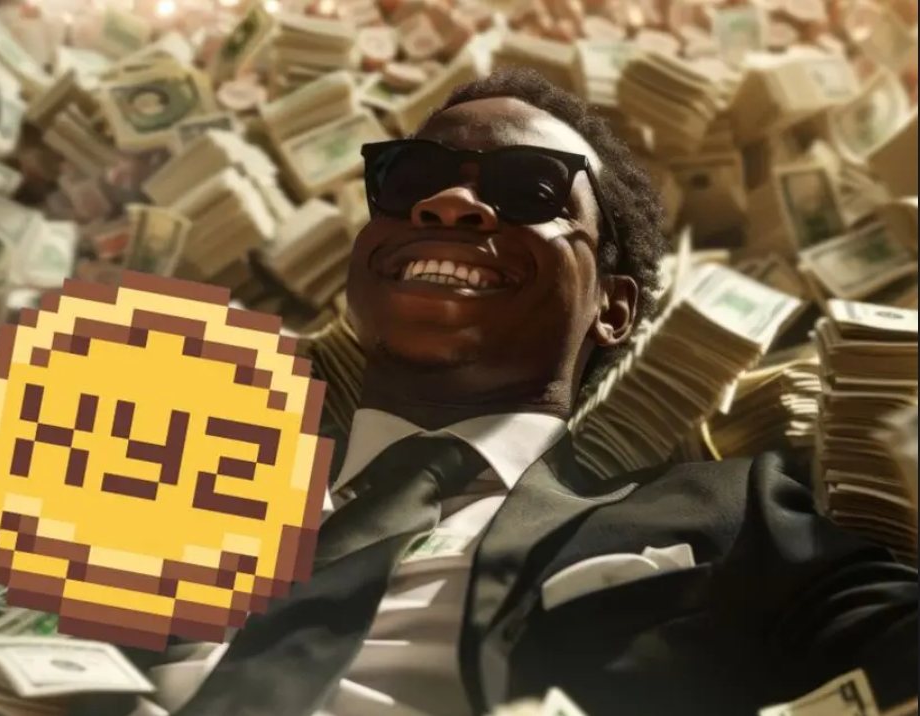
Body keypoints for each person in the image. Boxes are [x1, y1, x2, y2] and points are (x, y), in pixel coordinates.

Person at [159, 67, 918, 716]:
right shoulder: (172, 466)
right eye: (410, 179)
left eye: (531, 189)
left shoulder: (731, 512)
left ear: (613, 308)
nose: (446, 204)